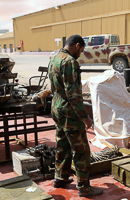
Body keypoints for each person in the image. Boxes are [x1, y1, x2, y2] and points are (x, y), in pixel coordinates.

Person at [48, 34, 104, 197]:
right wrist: (84, 116)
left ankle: (60, 177)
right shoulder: (70, 62)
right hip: (69, 111)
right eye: (82, 50)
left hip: (56, 107)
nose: (81, 53)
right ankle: (84, 187)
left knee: (62, 144)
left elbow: (53, 85)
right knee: (81, 149)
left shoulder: (55, 57)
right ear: (77, 45)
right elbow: (73, 94)